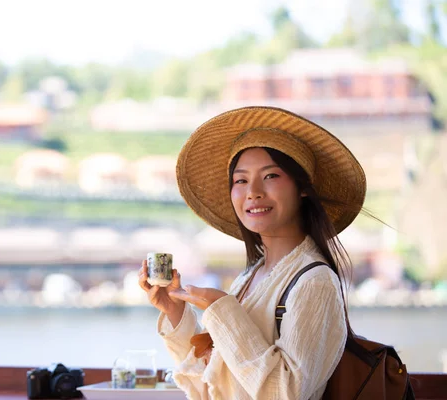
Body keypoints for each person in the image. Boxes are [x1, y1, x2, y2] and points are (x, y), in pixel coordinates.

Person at [138, 106, 367, 400]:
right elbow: (210, 386)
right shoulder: (251, 276)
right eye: (241, 180)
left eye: (270, 176)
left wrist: (221, 308)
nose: (253, 192)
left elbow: (287, 392)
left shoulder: (315, 281)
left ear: (303, 189)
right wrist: (176, 311)